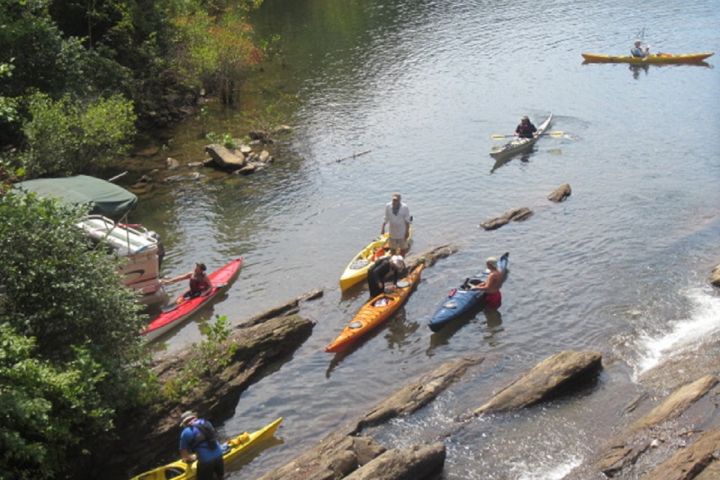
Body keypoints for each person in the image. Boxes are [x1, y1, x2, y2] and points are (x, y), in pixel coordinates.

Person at [178, 411, 224, 480]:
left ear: (184, 423)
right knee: (220, 476)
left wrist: (189, 459)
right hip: (219, 454)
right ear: (194, 417)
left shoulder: (186, 432)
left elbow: (183, 451)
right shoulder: (207, 423)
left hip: (206, 460)